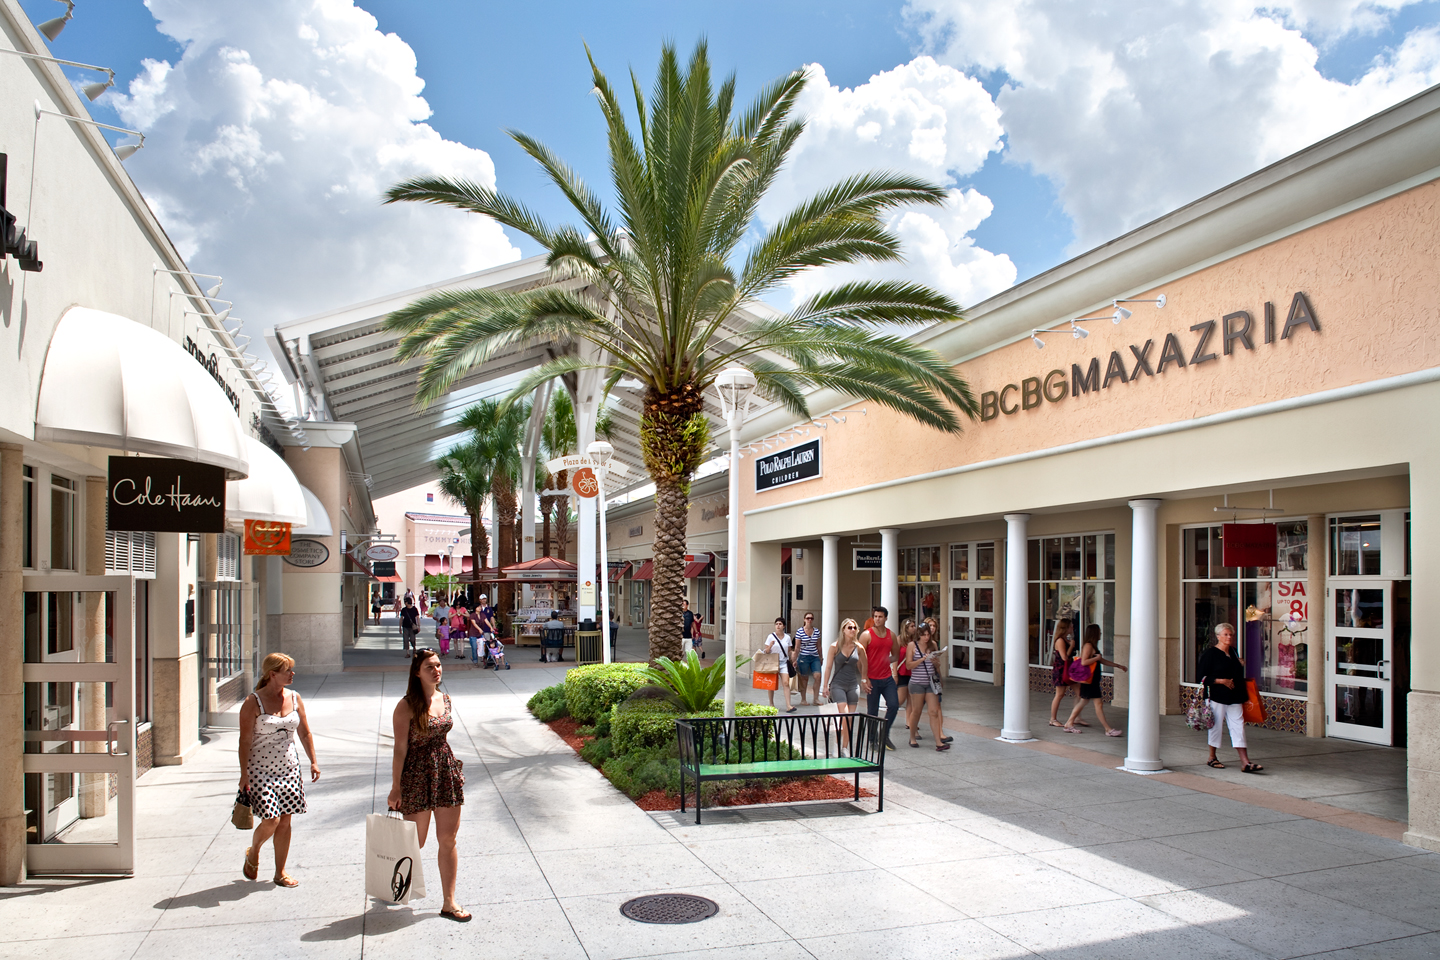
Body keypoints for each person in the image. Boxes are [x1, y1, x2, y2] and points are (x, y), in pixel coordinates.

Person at [388, 649, 468, 921]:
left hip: (445, 773)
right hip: (416, 776)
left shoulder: (445, 699)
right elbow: (400, 749)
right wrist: (396, 787)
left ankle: (449, 902)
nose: (436, 671)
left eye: (438, 665)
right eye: (429, 667)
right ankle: (393, 879)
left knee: (448, 839)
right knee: (416, 842)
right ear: (416, 672)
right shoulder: (406, 706)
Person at [238, 653, 319, 887]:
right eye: (287, 670)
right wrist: (243, 774)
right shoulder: (253, 702)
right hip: (260, 770)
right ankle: (254, 850)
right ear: (272, 674)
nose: (292, 674)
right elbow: (244, 740)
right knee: (271, 820)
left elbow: (304, 732)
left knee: (285, 822)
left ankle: (280, 872)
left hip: (289, 768)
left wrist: (313, 761)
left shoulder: (294, 698)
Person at [1200, 623, 1263, 773]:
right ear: (1218, 636)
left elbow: (1235, 672)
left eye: (1231, 635)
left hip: (1235, 696)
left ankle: (1245, 762)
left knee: (1238, 726)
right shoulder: (1210, 654)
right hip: (1217, 696)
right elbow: (1202, 677)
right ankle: (1212, 757)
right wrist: (1221, 681)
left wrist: (1240, 664)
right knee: (1216, 726)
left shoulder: (1233, 652)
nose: (1229, 637)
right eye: (1226, 634)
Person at [1065, 624, 1128, 736]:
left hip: (1092, 680)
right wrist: (1096, 658)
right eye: (1099, 632)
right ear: (1094, 633)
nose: (1100, 634)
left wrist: (1118, 666)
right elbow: (1084, 662)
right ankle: (1108, 729)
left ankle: (1069, 723)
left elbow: (1101, 661)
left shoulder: (1092, 646)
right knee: (1098, 704)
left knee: (1084, 701)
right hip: (1090, 680)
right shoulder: (1088, 646)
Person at [820, 619, 866, 744]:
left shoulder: (859, 647)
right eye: (849, 627)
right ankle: (837, 743)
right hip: (838, 684)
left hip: (853, 685)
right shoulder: (835, 646)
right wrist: (825, 686)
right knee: (844, 716)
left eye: (854, 628)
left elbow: (865, 663)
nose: (852, 630)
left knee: (849, 719)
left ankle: (845, 747)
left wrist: (864, 679)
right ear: (843, 630)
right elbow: (828, 667)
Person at [904, 622, 949, 750]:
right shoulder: (912, 645)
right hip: (917, 683)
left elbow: (936, 666)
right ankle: (912, 737)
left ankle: (938, 742)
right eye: (924, 635)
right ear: (919, 635)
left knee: (933, 711)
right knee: (916, 711)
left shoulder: (933, 645)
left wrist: (936, 663)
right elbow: (908, 665)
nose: (926, 637)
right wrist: (921, 660)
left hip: (930, 682)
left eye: (928, 634)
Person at [861, 605, 900, 750]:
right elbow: (860, 659)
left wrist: (885, 661)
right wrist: (864, 678)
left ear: (886, 618)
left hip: (887, 677)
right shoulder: (867, 635)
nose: (877, 619)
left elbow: (896, 655)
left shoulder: (891, 635)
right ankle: (872, 740)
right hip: (872, 679)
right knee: (873, 711)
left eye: (880, 617)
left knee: (894, 705)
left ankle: (884, 733)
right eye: (875, 616)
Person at [1048, 619, 1080, 730]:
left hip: (1069, 669)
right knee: (1060, 694)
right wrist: (1071, 646)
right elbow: (1064, 657)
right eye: (1071, 626)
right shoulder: (1060, 640)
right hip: (1061, 670)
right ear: (1065, 628)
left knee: (1079, 692)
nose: (1072, 628)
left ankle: (1077, 716)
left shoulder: (1066, 639)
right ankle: (1053, 719)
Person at [762, 617, 796, 712]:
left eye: (780, 624)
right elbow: (766, 651)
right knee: (771, 684)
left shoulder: (787, 637)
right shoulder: (771, 637)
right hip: (773, 662)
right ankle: (771, 704)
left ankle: (788, 705)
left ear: (784, 626)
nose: (778, 626)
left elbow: (789, 651)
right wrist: (770, 645)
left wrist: (793, 658)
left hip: (783, 662)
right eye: (776, 624)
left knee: (786, 683)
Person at [793, 612, 823, 706]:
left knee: (818, 676)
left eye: (811, 618)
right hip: (803, 657)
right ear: (804, 619)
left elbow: (819, 646)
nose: (809, 620)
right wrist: (795, 659)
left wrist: (821, 657)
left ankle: (816, 699)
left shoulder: (816, 631)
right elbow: (797, 647)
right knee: (804, 678)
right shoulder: (800, 631)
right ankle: (803, 699)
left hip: (814, 656)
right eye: (808, 618)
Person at [895, 619, 916, 735]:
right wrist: (894, 673)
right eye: (912, 626)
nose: (914, 628)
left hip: (913, 672)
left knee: (911, 698)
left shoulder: (915, 641)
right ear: (906, 628)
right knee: (901, 698)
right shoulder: (899, 640)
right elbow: (894, 657)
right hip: (902, 671)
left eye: (914, 626)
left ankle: (909, 721)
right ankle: (890, 714)